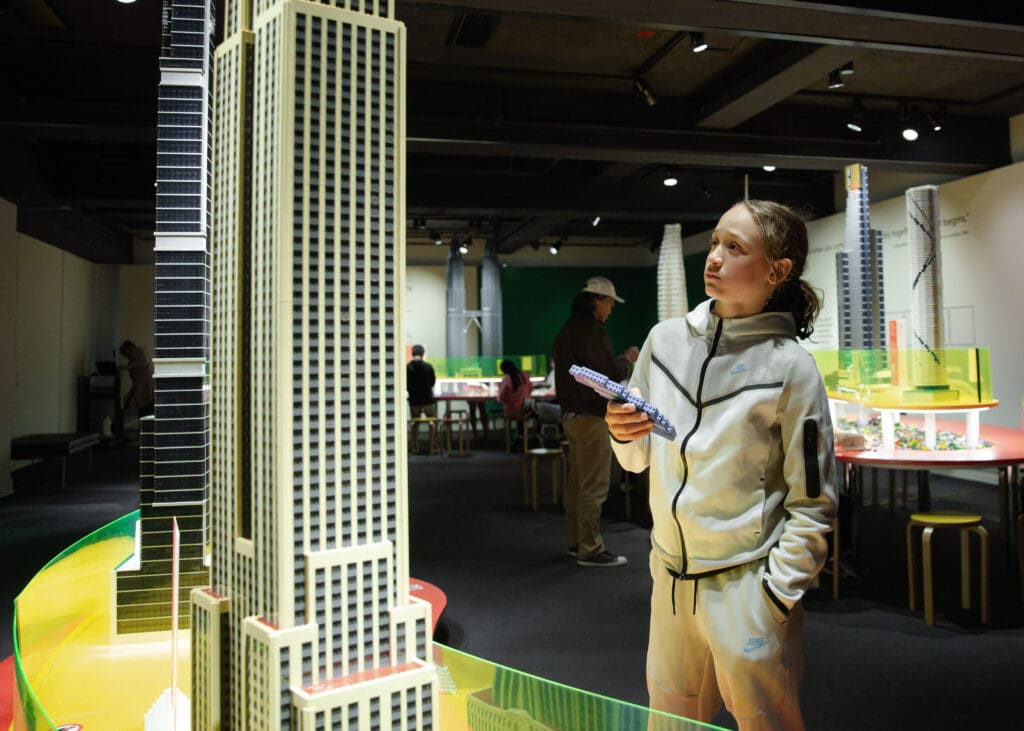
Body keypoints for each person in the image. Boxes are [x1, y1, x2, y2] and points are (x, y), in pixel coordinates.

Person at [605, 200, 837, 730]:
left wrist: (773, 598)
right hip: (669, 576)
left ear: (777, 272)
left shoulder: (791, 369)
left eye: (735, 248)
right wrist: (621, 432)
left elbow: (816, 500)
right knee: (670, 718)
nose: (714, 257)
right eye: (714, 242)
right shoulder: (663, 343)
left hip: (746, 585)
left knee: (765, 721)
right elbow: (637, 458)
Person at [553, 276, 640, 568]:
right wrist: (627, 359)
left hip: (572, 415)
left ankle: (577, 543)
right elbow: (608, 371)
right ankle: (590, 548)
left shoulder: (568, 330)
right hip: (591, 417)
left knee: (578, 483)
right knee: (594, 485)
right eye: (610, 303)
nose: (611, 309)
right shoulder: (590, 331)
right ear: (597, 301)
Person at [407, 344, 436, 450]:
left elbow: (406, 384)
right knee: (432, 422)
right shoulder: (428, 367)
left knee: (415, 423)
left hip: (414, 401)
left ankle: (415, 447)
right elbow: (433, 382)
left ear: (412, 354)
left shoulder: (407, 367)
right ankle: (432, 446)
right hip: (428, 399)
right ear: (423, 354)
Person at [497, 359, 534, 445]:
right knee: (523, 415)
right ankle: (524, 438)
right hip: (527, 410)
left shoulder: (506, 379)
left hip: (512, 411)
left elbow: (501, 398)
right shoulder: (525, 376)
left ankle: (514, 440)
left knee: (514, 411)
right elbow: (530, 389)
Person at [119, 339, 154, 419]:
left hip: (146, 391)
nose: (127, 356)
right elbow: (135, 381)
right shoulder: (132, 362)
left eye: (126, 352)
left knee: (147, 412)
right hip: (140, 392)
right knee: (143, 413)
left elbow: (145, 362)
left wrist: (126, 367)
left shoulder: (140, 352)